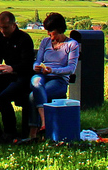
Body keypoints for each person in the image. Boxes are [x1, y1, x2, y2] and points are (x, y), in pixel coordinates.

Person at [24, 12, 79, 141]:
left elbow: (71, 68)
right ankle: (44, 121)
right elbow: (38, 61)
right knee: (36, 83)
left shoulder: (72, 45)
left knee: (33, 95)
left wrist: (52, 70)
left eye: (51, 31)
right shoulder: (45, 42)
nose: (49, 34)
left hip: (58, 80)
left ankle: (33, 132)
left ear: (59, 30)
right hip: (42, 76)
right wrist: (36, 66)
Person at [0, 11, 36, 140]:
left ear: (14, 25)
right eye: (0, 27)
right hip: (7, 76)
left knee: (3, 98)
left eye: (5, 27)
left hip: (23, 77)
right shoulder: (1, 36)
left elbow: (27, 64)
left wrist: (13, 68)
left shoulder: (24, 39)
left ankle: (10, 132)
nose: (2, 30)